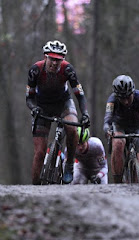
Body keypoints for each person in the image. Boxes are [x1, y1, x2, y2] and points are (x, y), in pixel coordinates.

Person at [26, 40, 90, 185]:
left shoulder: (68, 70)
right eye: (52, 59)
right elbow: (29, 98)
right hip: (42, 106)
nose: (55, 63)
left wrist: (85, 113)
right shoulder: (35, 70)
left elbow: (80, 95)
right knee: (40, 152)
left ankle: (69, 164)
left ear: (63, 60)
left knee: (72, 128)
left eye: (58, 60)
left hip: (63, 104)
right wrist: (34, 108)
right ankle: (34, 187)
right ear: (45, 57)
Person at [103, 75, 139, 184]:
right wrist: (108, 130)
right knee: (118, 143)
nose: (126, 102)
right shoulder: (112, 100)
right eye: (122, 98)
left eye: (128, 97)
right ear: (117, 96)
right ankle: (117, 182)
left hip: (137, 127)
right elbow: (107, 120)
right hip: (119, 126)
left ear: (133, 92)